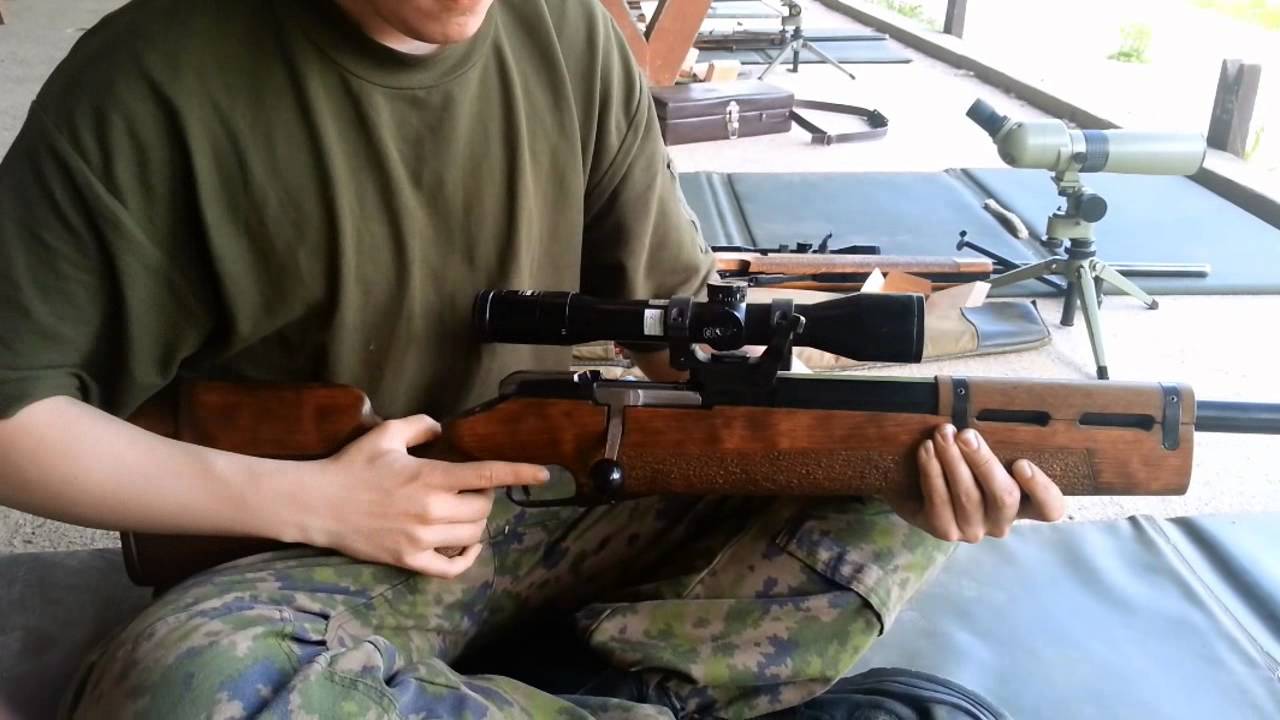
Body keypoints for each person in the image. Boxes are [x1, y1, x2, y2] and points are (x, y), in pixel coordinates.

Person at [0, 0, 1066, 717]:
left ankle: (587, 685)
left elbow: (676, 331)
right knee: (189, 690)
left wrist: (863, 445)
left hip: (575, 482)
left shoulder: (570, 29)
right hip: (324, 543)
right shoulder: (148, 78)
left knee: (890, 470)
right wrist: (318, 504)